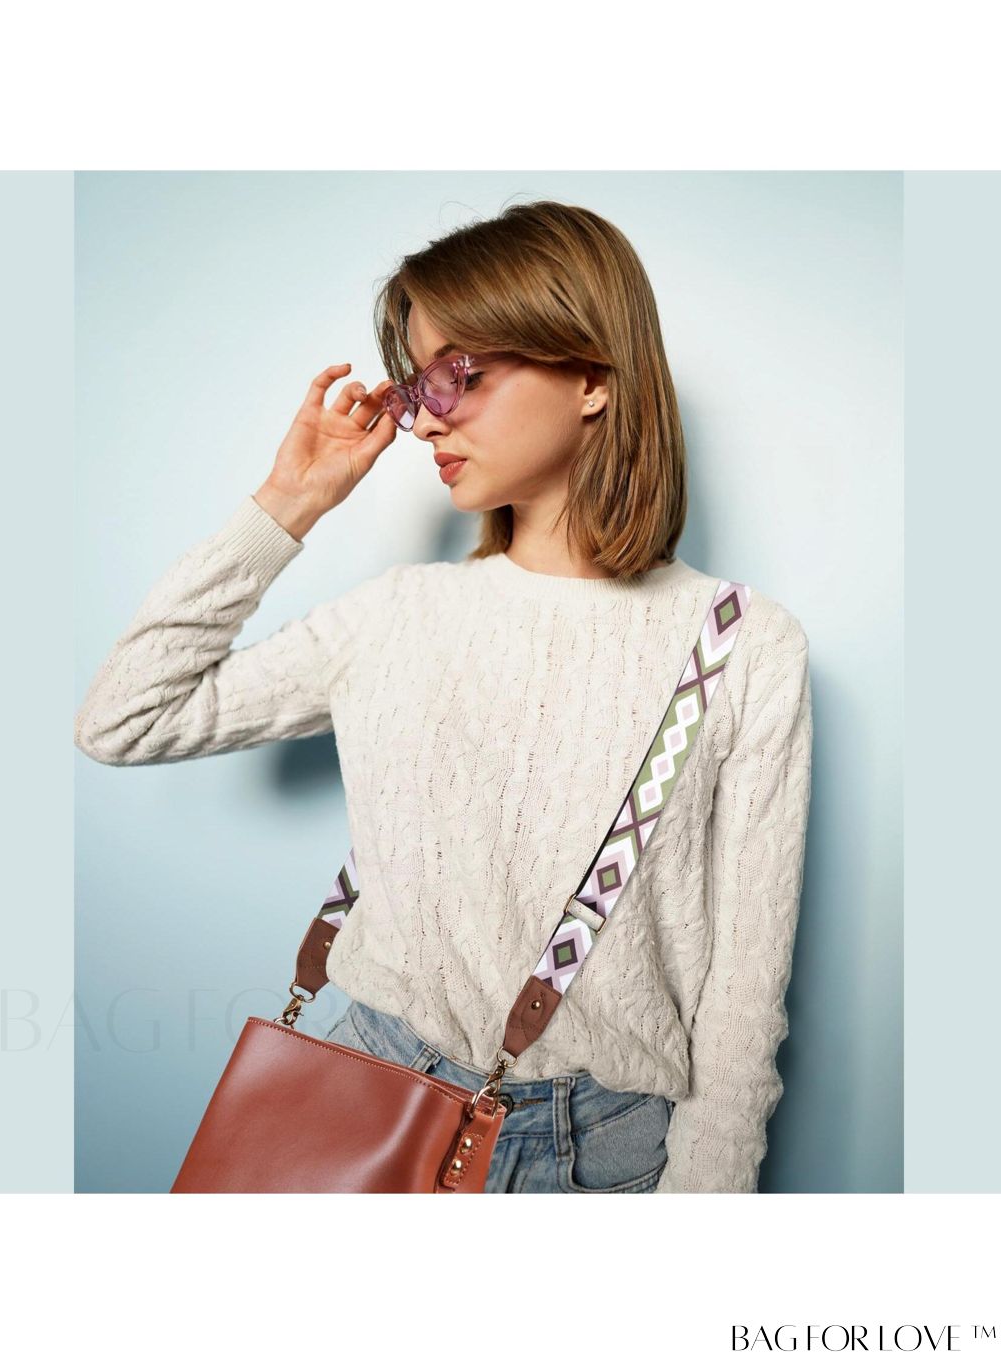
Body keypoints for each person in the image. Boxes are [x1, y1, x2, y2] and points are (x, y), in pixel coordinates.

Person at [74, 199, 813, 1194]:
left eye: (459, 374)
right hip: (361, 1096)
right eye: (417, 384)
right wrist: (289, 502)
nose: (424, 418)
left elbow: (744, 995)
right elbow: (123, 719)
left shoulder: (741, 645)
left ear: (592, 377)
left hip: (600, 1154)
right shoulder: (398, 612)